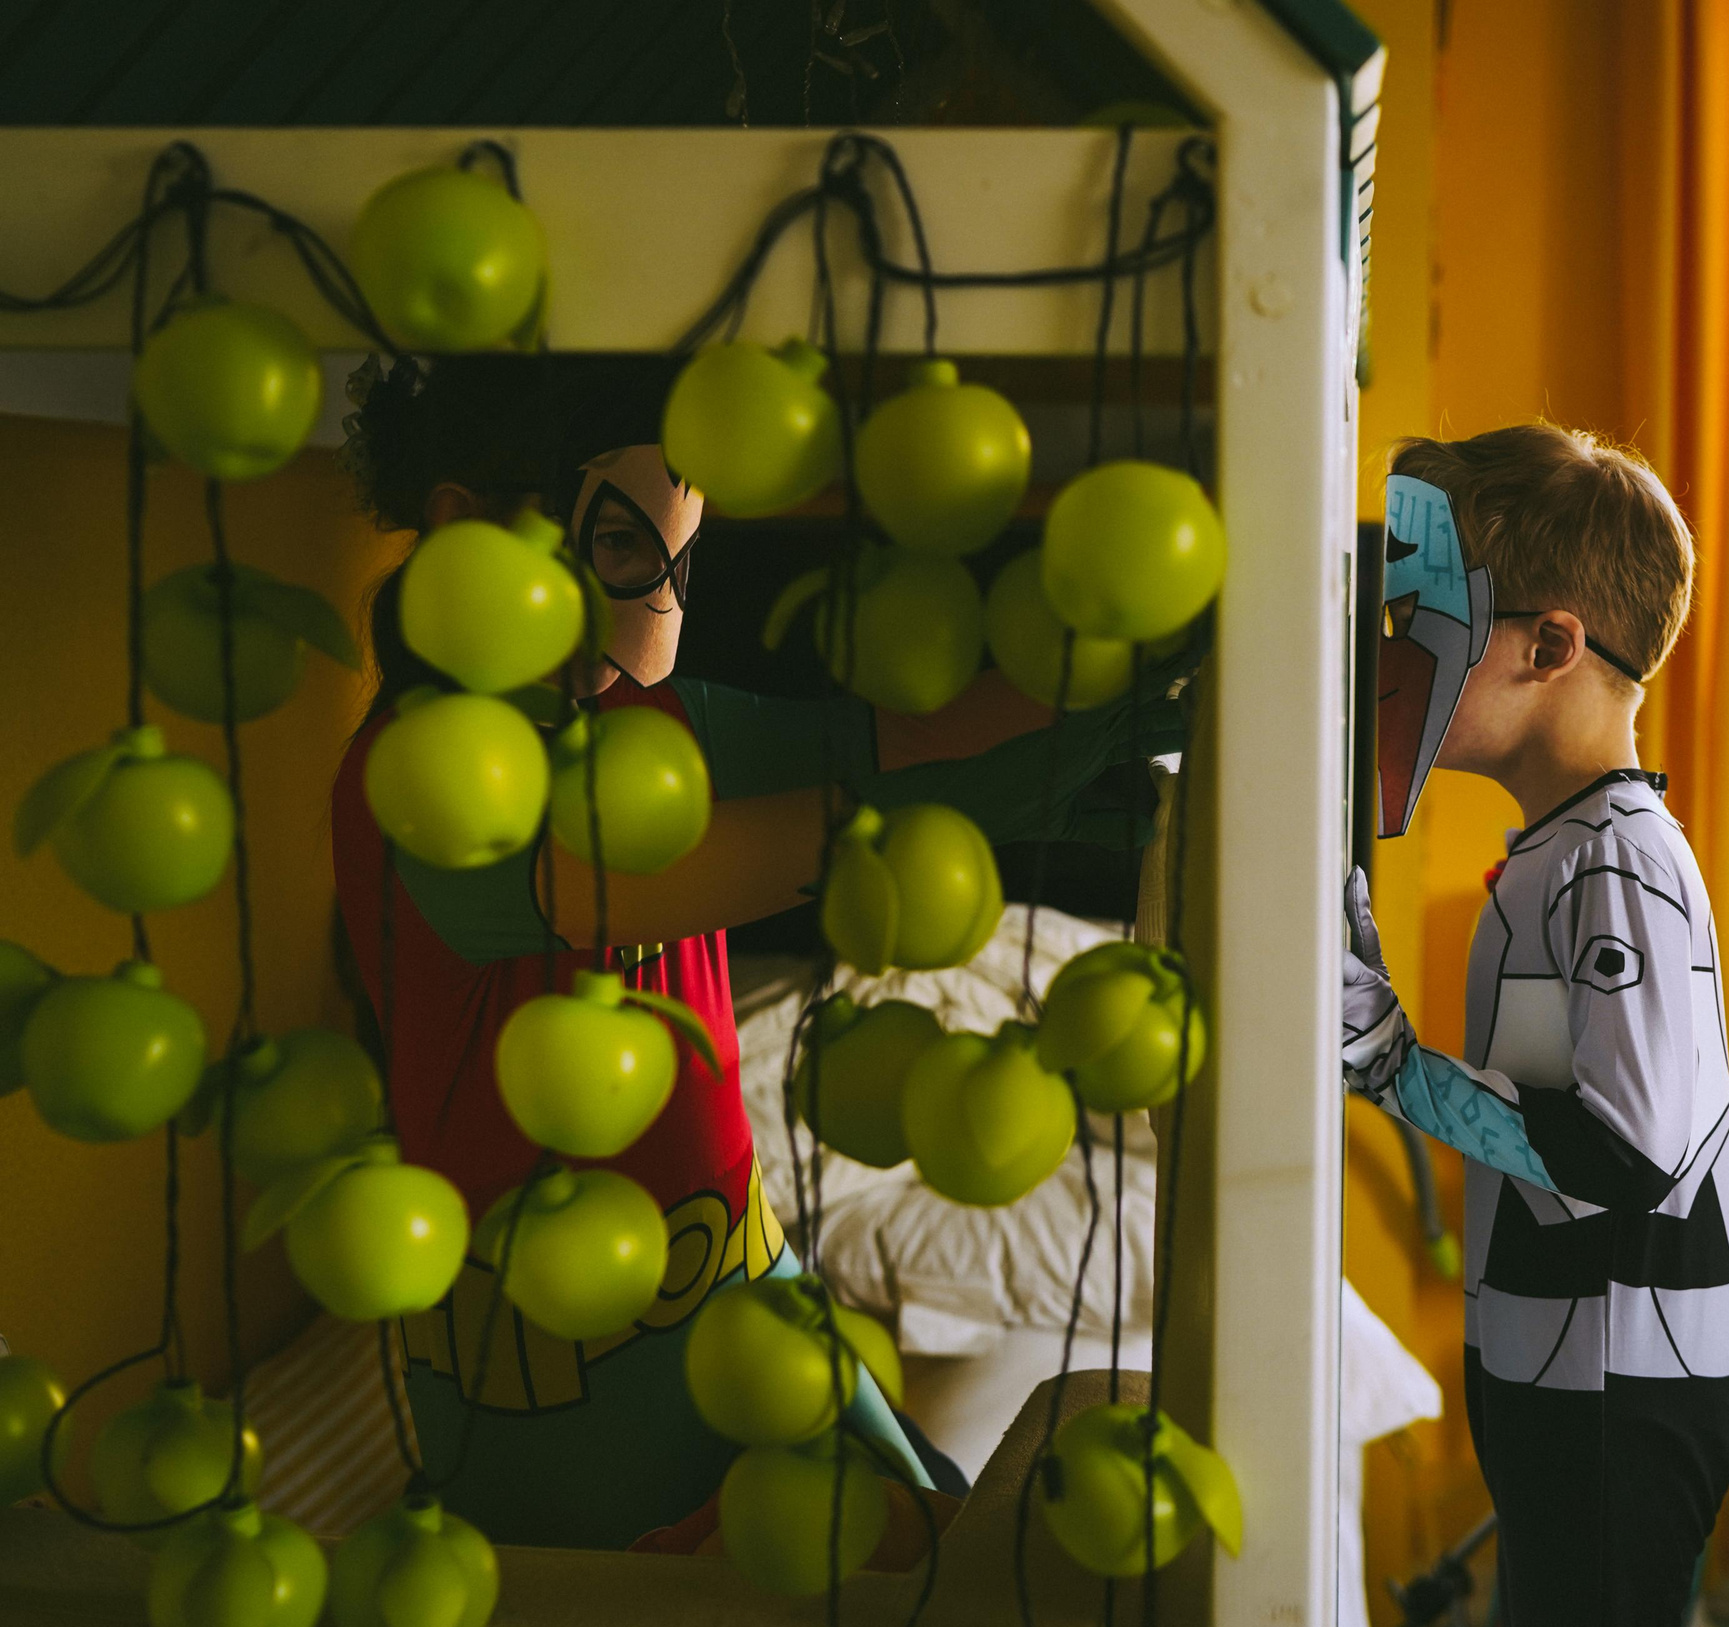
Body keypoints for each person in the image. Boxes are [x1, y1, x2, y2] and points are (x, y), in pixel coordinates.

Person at [331, 353, 1174, 1550]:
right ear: (466, 532)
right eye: (623, 552)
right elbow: (818, 843)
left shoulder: (645, 725)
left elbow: (912, 739)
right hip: (561, 1419)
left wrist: (1145, 680)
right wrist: (1054, 753)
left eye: (682, 561)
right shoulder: (418, 786)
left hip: (748, 1304)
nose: (660, 607)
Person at [1342, 425, 1729, 1627]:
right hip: (1562, 1371)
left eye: (1430, 618)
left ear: (1547, 646)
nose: (1399, 655)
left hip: (1620, 1388)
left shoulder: (1616, 862)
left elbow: (1625, 1150)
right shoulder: (1564, 852)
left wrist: (1396, 1066)